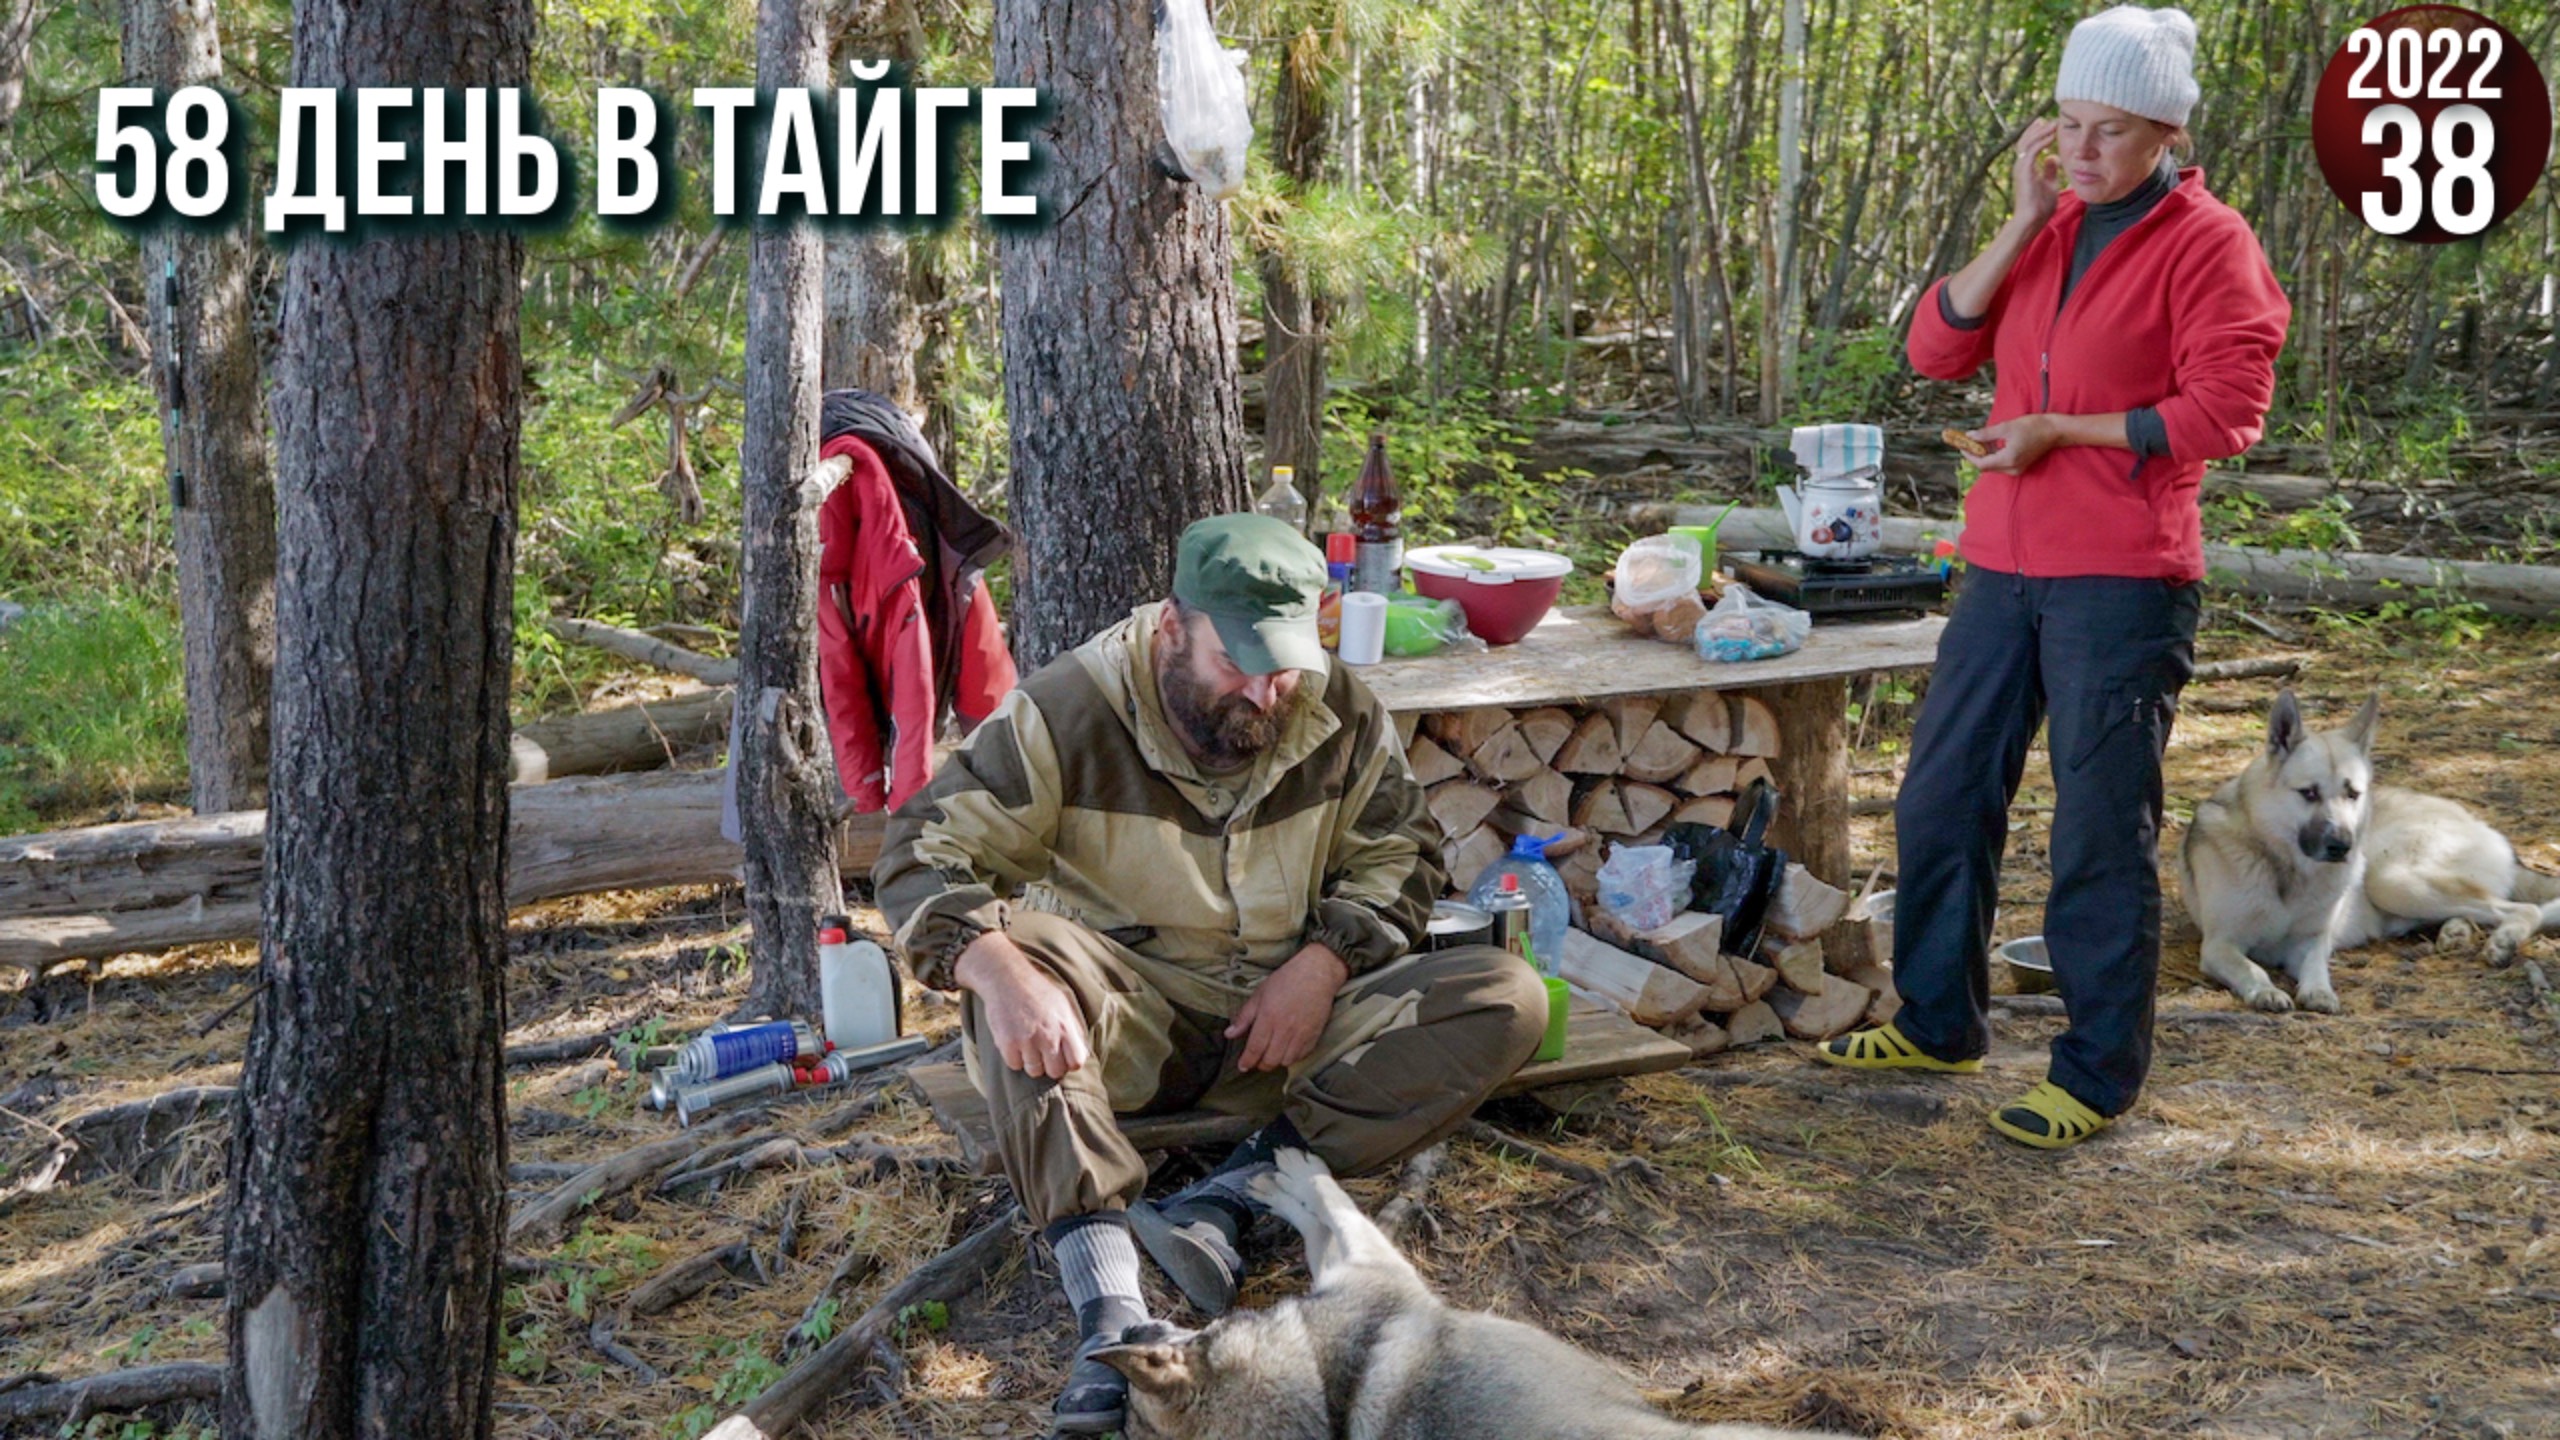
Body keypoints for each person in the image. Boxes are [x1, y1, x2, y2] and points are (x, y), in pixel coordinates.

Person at [874, 513, 1546, 1434]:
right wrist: (993, 966)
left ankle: (1229, 1199)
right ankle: (1112, 1312)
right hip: (1123, 1021)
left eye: (1282, 666)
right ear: (1171, 630)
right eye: (1237, 662)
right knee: (1013, 977)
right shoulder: (1070, 709)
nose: (1263, 693)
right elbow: (919, 850)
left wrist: (1323, 961)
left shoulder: (1335, 705)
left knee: (1505, 997)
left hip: (1288, 1025)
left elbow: (1402, 851)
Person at [1815, 4, 2289, 1150]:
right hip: (2000, 566)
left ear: (2166, 133)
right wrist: (2022, 220)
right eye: (2067, 125)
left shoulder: (2207, 241)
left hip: (2121, 581)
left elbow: (2227, 411)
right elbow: (1934, 350)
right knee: (1940, 799)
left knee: (2093, 830)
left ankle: (2093, 1071)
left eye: (2109, 131)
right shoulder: (2048, 220)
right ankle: (1936, 1020)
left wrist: (2059, 432)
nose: (2081, 151)